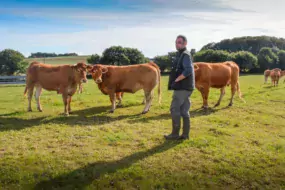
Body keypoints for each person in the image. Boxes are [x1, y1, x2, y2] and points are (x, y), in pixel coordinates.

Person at [165, 35, 195, 140]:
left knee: (174, 109)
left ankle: (175, 134)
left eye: (180, 42)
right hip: (187, 87)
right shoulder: (182, 54)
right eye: (176, 42)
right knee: (184, 111)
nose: (177, 44)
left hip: (182, 88)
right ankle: (185, 135)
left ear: (185, 43)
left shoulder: (185, 55)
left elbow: (188, 70)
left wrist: (178, 79)